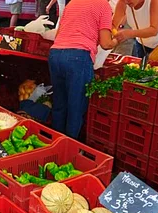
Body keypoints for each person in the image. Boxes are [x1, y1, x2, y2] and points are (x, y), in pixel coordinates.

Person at [48, 0, 118, 139]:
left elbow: (58, 35)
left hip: (55, 54)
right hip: (78, 57)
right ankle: (70, 148)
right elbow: (105, 43)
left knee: (59, 104)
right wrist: (117, 39)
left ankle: (55, 145)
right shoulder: (103, 5)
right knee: (76, 107)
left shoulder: (72, 3)